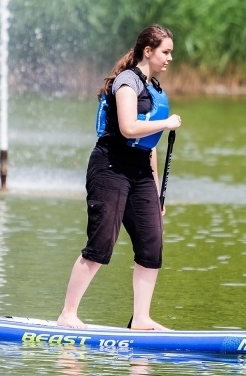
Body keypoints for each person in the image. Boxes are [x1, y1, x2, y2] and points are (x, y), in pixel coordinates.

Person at [57, 24, 182, 330]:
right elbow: (127, 128)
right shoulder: (127, 83)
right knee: (102, 242)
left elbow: (148, 146)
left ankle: (140, 319)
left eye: (171, 53)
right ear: (148, 51)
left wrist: (154, 192)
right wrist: (165, 123)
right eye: (165, 52)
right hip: (111, 167)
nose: (169, 59)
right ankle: (67, 314)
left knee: (152, 243)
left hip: (139, 171)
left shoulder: (154, 89)